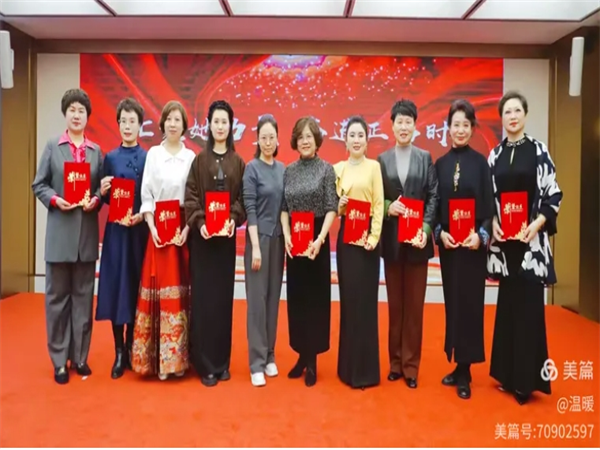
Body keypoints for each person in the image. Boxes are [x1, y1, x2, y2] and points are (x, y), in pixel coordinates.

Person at [487, 91, 563, 405]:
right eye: (507, 112)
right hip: (506, 245)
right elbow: (488, 197)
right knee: (508, 309)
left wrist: (538, 224)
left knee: (530, 312)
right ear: (502, 118)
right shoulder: (495, 155)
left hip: (531, 244)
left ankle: (526, 382)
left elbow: (553, 194)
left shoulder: (538, 150)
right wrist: (493, 221)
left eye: (517, 110)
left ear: (525, 114)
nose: (513, 116)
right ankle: (506, 375)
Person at [32, 88, 103, 384]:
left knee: (84, 300)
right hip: (60, 237)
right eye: (72, 109)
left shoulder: (96, 151)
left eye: (81, 111)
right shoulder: (53, 146)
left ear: (87, 116)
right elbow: (39, 184)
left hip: (86, 237)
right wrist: (54, 199)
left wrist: (96, 199)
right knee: (57, 300)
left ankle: (80, 357)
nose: (76, 115)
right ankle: (60, 360)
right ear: (65, 113)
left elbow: (100, 189)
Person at [433, 99, 494, 400]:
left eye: (465, 125)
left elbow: (488, 209)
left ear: (472, 129)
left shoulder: (481, 164)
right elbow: (434, 208)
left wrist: (480, 236)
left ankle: (466, 370)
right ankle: (457, 363)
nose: (460, 130)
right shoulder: (440, 165)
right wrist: (439, 233)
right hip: (449, 247)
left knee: (470, 305)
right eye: (455, 124)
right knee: (453, 304)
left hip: (471, 248)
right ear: (448, 128)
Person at [377, 99, 439, 389]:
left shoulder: (425, 158)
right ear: (391, 126)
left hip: (417, 243)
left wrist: (426, 228)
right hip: (392, 242)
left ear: (415, 125)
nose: (403, 127)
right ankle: (395, 363)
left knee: (414, 307)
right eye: (399, 122)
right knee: (395, 306)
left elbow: (433, 196)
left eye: (408, 122)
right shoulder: (382, 160)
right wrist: (388, 206)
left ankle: (411, 366)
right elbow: (377, 197)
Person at [185, 100, 246, 387]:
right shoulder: (199, 161)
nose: (220, 126)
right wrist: (200, 224)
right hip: (204, 242)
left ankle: (222, 363)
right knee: (204, 300)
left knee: (223, 301)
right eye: (216, 121)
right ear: (209, 125)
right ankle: (205, 364)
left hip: (225, 243)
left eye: (225, 121)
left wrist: (233, 219)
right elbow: (191, 197)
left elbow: (242, 200)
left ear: (231, 126)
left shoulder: (238, 162)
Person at [131, 100, 194, 381]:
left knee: (180, 291)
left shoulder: (190, 157)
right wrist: (152, 226)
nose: (173, 124)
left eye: (177, 120)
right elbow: (146, 194)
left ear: (184, 126)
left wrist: (187, 229)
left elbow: (193, 198)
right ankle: (158, 361)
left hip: (181, 228)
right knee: (158, 291)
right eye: (169, 119)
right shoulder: (154, 154)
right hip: (158, 228)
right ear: (162, 123)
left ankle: (178, 360)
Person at [281, 116, 338, 387]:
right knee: (297, 299)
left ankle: (313, 360)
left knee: (315, 300)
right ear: (295, 141)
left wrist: (320, 239)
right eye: (301, 137)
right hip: (295, 241)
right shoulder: (289, 171)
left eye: (309, 137)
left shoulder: (327, 170)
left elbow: (331, 208)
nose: (305, 141)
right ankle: (301, 356)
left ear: (317, 141)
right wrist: (287, 235)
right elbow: (284, 208)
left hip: (316, 241)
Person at [96, 98, 149, 379]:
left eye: (132, 121)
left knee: (135, 287)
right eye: (123, 121)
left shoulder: (148, 157)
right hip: (117, 232)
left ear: (140, 125)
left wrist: (141, 215)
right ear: (118, 125)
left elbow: (150, 196)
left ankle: (131, 345)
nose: (127, 126)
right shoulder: (110, 158)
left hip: (139, 231)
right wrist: (103, 191)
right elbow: (106, 199)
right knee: (117, 287)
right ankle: (119, 352)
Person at [334, 115, 384, 389]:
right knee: (349, 302)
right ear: (345, 140)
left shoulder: (374, 167)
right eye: (351, 135)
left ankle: (366, 371)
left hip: (367, 242)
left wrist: (374, 237)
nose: (356, 140)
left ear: (367, 140)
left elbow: (378, 205)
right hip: (347, 241)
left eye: (360, 135)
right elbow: (334, 209)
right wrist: (340, 205)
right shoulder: (337, 169)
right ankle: (347, 369)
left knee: (366, 304)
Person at [242, 114, 285, 387]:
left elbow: (284, 209)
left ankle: (270, 354)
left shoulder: (282, 169)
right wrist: (256, 247)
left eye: (272, 137)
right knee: (257, 302)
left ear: (278, 140)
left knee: (273, 299)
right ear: (257, 140)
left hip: (278, 241)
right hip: (258, 241)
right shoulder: (252, 169)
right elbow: (250, 209)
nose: (268, 142)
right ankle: (256, 362)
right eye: (263, 137)